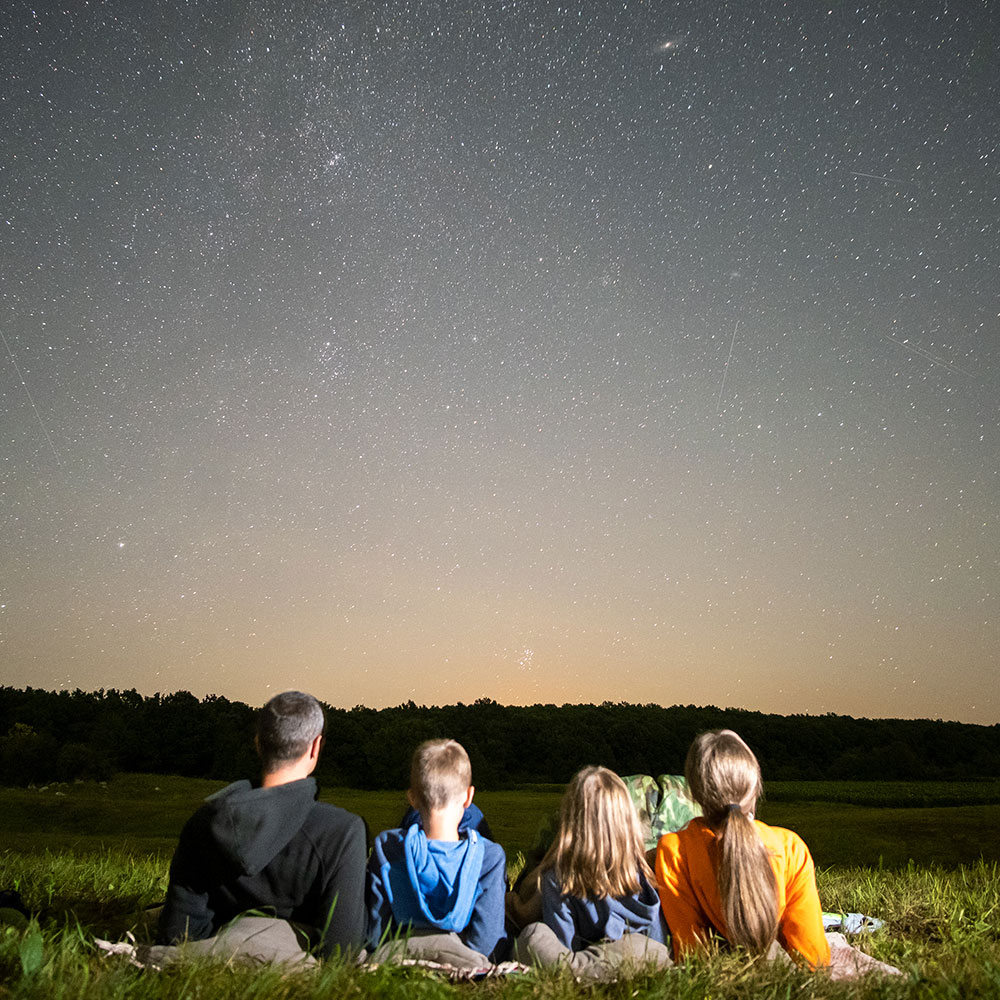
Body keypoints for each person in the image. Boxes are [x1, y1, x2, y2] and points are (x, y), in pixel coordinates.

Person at [157, 691, 367, 959]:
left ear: (258, 743)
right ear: (315, 746)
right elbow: (342, 951)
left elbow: (176, 934)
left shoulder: (205, 822)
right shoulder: (342, 831)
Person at [655, 729, 830, 968]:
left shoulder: (674, 849)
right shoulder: (791, 847)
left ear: (695, 793)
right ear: (754, 787)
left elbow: (691, 953)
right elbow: (814, 959)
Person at [513, 766, 671, 976]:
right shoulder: (640, 868)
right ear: (626, 822)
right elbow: (658, 937)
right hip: (640, 957)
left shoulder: (557, 878)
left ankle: (589, 974)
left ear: (571, 821)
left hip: (587, 961)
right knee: (649, 951)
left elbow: (564, 946)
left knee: (533, 937)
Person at [366, 739, 507, 967]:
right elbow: (487, 944)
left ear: (412, 798)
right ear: (469, 798)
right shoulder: (489, 857)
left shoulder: (388, 847)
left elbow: (375, 932)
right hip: (465, 961)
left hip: (398, 954)